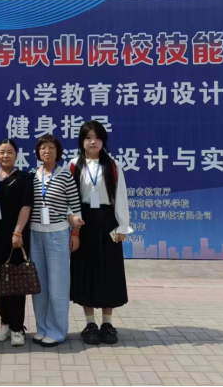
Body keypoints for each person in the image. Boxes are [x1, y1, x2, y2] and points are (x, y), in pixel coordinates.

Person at [69, 120, 133, 345]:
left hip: (108, 222)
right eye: (87, 137)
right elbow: (70, 198)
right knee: (85, 272)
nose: (92, 141)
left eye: (97, 137)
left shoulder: (113, 165)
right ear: (82, 141)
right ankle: (90, 324)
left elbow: (121, 196)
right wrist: (74, 227)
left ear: (103, 140)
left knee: (109, 271)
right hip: (84, 221)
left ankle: (107, 323)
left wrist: (122, 226)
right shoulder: (74, 165)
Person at [29, 134, 83, 347]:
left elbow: (75, 205)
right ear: (38, 152)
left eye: (51, 148)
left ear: (58, 152)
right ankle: (42, 328)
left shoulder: (65, 175)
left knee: (58, 285)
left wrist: (75, 233)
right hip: (35, 235)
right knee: (39, 286)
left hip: (58, 235)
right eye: (43, 147)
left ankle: (57, 331)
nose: (47, 151)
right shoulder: (32, 175)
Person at [0, 139, 33, 347]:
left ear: (16, 155)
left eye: (10, 152)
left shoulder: (24, 177)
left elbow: (26, 206)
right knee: (0, 280)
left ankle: (17, 327)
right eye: (2, 152)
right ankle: (4, 322)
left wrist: (18, 232)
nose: (5, 156)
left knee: (16, 281)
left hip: (17, 237)